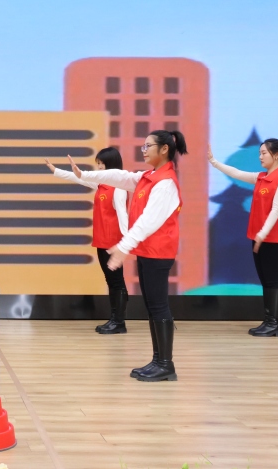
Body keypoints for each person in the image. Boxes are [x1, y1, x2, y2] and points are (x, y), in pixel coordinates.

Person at [71, 130, 188, 382]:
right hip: (147, 251)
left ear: (164, 149)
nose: (143, 150)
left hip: (158, 252)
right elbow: (120, 176)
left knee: (158, 305)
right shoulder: (148, 177)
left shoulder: (165, 183)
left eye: (148, 146)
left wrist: (124, 246)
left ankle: (165, 364)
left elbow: (149, 220)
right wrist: (85, 175)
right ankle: (158, 360)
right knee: (152, 306)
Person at [208, 139, 278, 337]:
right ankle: (270, 321)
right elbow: (237, 174)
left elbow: (276, 210)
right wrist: (214, 162)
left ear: (277, 155)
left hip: (272, 239)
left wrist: (262, 234)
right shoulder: (262, 177)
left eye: (264, 153)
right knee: (266, 280)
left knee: (271, 280)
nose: (260, 157)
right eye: (259, 153)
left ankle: (274, 324)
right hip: (259, 239)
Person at [45, 147, 129, 333]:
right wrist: (56, 171)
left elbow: (123, 216)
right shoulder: (101, 184)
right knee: (111, 280)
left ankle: (119, 322)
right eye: (98, 163)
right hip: (102, 240)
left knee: (116, 282)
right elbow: (79, 178)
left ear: (112, 165)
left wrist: (125, 244)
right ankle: (115, 319)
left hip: (113, 243)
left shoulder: (119, 188)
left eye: (102, 164)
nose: (99, 167)